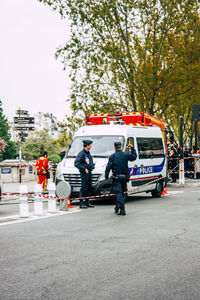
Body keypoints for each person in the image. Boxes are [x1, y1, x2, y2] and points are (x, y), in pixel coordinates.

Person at [105, 142, 137, 216]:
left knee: (118, 193)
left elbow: (108, 167)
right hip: (124, 178)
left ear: (115, 148)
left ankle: (122, 209)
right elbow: (133, 157)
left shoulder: (112, 156)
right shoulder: (125, 155)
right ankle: (117, 207)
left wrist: (106, 176)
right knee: (121, 193)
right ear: (121, 147)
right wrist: (132, 148)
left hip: (116, 178)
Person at [74, 140, 95, 209]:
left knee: (89, 187)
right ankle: (81, 202)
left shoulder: (88, 153)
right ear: (87, 145)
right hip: (84, 173)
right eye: (90, 145)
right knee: (83, 187)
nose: (91, 146)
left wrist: (92, 166)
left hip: (89, 172)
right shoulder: (81, 154)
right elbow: (76, 163)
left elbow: (88, 162)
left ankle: (87, 202)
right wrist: (83, 168)